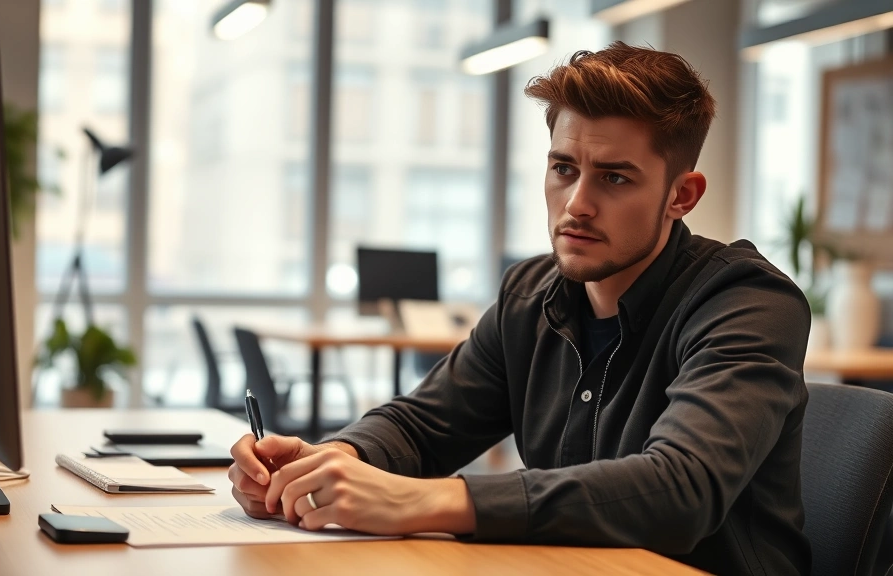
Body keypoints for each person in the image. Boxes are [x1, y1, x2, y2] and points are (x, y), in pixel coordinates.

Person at [228, 42, 811, 575]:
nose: (577, 204)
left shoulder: (746, 301)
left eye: (614, 177)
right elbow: (425, 425)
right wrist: (330, 461)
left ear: (681, 196)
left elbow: (682, 490)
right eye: (564, 169)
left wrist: (422, 499)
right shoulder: (530, 295)